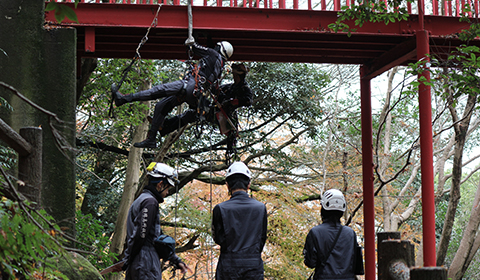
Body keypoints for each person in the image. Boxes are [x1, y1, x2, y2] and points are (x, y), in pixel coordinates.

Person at [112, 39, 234, 148]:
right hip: (195, 94)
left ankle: (124, 99)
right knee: (160, 106)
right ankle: (151, 139)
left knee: (158, 90)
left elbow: (194, 46)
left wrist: (192, 38)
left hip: (190, 86)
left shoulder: (213, 54)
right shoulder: (220, 67)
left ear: (219, 48)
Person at [122, 162, 191, 279]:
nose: (168, 192)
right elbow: (140, 235)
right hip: (145, 264)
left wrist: (175, 259)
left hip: (139, 263)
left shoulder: (141, 200)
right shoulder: (150, 202)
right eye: (168, 187)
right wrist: (128, 258)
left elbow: (156, 236)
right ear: (160, 184)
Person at [158, 63, 253, 139]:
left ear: (239, 76)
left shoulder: (244, 89)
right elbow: (216, 90)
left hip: (225, 115)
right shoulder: (230, 87)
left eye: (235, 75)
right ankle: (164, 126)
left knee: (195, 110)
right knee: (190, 113)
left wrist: (231, 102)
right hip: (215, 111)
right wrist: (209, 84)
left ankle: (165, 125)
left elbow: (248, 101)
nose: (234, 77)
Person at [211, 161, 267, 280]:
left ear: (228, 185)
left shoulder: (220, 209)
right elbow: (262, 237)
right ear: (248, 184)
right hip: (253, 264)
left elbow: (218, 238)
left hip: (228, 264)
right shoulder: (260, 208)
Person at [303, 189, 364, 280]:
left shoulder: (315, 232)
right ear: (342, 211)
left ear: (323, 209)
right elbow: (357, 266)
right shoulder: (350, 233)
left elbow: (310, 263)